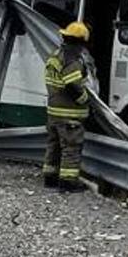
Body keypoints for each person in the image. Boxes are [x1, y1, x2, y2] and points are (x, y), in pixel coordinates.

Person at [43, 21, 91, 192]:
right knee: (71, 148)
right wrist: (85, 100)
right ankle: (68, 182)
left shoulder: (56, 55)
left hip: (53, 113)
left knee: (53, 146)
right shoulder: (72, 60)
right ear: (81, 42)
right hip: (69, 115)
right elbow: (72, 86)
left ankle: (50, 177)